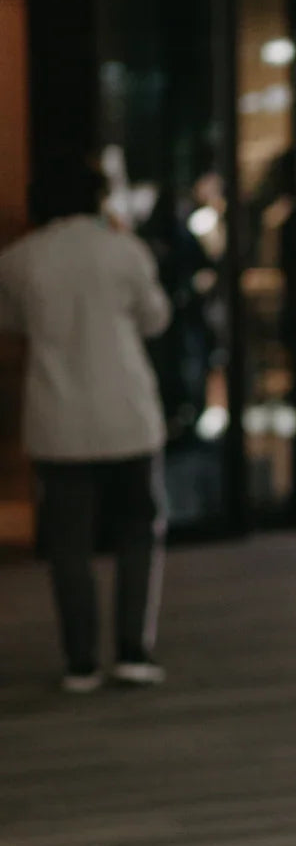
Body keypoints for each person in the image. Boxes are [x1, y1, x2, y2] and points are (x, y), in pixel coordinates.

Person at [0, 154, 171, 693]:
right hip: (127, 414)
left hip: (58, 417)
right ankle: (132, 651)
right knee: (137, 532)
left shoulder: (20, 259)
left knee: (69, 543)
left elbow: (10, 322)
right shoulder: (123, 249)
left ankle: (79, 662)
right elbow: (156, 318)